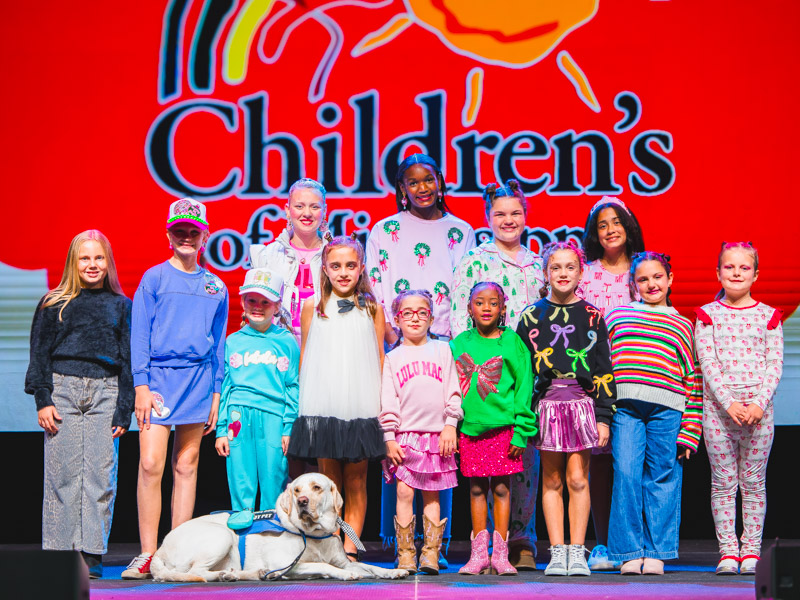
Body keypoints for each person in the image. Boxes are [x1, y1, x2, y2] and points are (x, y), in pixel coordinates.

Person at [366, 153, 475, 564]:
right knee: (401, 450)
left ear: (440, 182)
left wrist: (453, 338)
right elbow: (375, 284)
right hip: (401, 341)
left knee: (439, 457)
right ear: (401, 189)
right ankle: (398, 544)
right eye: (413, 182)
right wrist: (391, 332)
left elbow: (465, 285)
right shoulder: (384, 230)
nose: (422, 188)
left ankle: (437, 547)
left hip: (444, 342)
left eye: (428, 179)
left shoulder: (460, 230)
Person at [122, 198, 229, 579]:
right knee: (151, 463)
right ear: (168, 235)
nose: (187, 237)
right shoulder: (153, 279)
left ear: (205, 236)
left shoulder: (216, 286)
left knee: (186, 465)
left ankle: (176, 552)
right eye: (179, 231)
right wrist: (141, 385)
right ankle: (148, 552)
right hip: (160, 382)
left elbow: (218, 347)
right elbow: (140, 336)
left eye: (193, 231)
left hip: (198, 383)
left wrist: (216, 393)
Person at [25, 230, 133, 579]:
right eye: (85, 258)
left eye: (98, 258)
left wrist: (124, 408)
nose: (92, 265)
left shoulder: (121, 305)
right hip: (64, 391)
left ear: (108, 262)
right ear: (74, 262)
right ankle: (60, 556)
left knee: (100, 477)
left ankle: (91, 554)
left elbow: (129, 360)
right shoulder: (53, 304)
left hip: (106, 392)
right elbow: (39, 354)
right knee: (62, 476)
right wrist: (43, 399)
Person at [451, 179, 544, 570]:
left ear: (526, 215)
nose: (509, 220)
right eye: (500, 213)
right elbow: (458, 319)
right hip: (481, 380)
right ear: (489, 217)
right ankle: (479, 545)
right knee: (479, 473)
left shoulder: (537, 263)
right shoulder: (474, 260)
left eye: (516, 212)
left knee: (521, 460)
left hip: (526, 373)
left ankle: (519, 539)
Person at [516, 240, 615, 576]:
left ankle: (577, 551)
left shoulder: (592, 316)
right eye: (555, 267)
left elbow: (603, 369)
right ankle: (557, 552)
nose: (562, 273)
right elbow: (523, 372)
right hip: (546, 408)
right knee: (552, 480)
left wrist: (603, 417)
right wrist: (526, 416)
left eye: (569, 267)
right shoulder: (531, 316)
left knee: (578, 479)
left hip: (582, 406)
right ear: (546, 272)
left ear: (580, 272)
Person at [287, 235, 385, 560]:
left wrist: (383, 405)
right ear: (325, 269)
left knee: (356, 480)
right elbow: (306, 359)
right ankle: (329, 542)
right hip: (324, 404)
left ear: (360, 268)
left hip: (360, 402)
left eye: (350, 265)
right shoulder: (313, 307)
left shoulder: (372, 308)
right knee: (328, 481)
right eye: (336, 266)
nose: (343, 272)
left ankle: (350, 546)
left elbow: (380, 358)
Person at [605, 252, 703, 575]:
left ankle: (658, 551)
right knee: (627, 474)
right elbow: (603, 368)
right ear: (633, 285)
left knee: (662, 476)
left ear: (670, 280)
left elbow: (693, 379)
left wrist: (690, 429)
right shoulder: (617, 317)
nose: (651, 284)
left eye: (657, 277)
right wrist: (602, 412)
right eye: (643, 279)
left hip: (668, 410)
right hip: (627, 408)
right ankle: (630, 550)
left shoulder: (682, 324)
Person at [695, 242, 783, 576]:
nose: (736, 273)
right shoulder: (707, 315)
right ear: (718, 273)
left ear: (756, 274)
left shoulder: (769, 316)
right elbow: (709, 363)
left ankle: (751, 552)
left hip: (760, 414)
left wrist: (759, 403)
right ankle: (728, 552)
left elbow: (775, 364)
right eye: (729, 267)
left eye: (744, 268)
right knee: (723, 483)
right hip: (720, 413)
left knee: (754, 483)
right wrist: (729, 403)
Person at [577, 196, 645, 571]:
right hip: (596, 381)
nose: (610, 229)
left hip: (640, 378)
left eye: (617, 222)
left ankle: (636, 544)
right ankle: (603, 544)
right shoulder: (585, 274)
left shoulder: (644, 269)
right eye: (602, 224)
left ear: (629, 226)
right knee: (599, 464)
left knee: (633, 465)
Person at [450, 282, 537, 576]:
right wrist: (452, 428)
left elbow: (525, 389)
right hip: (470, 430)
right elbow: (450, 389)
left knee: (501, 487)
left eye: (492, 303)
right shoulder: (459, 343)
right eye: (479, 302)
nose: (486, 308)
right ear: (469, 308)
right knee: (476, 488)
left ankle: (501, 555)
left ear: (502, 308)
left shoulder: (512, 343)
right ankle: (478, 556)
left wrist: (521, 431)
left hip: (503, 430)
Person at [380, 289, 462, 575]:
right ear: (397, 319)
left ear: (431, 317)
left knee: (433, 495)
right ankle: (405, 553)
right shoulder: (393, 357)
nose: (415, 318)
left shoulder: (442, 350)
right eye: (407, 313)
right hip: (405, 437)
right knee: (403, 491)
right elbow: (388, 401)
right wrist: (389, 438)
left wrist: (450, 424)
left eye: (422, 312)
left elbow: (453, 392)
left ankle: (431, 553)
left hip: (437, 436)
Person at [215, 267, 300, 516]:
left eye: (265, 301)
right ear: (242, 302)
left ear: (276, 306)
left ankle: (272, 530)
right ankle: (244, 537)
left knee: (274, 474)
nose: (258, 306)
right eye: (252, 300)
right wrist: (221, 430)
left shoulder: (286, 341)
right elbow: (226, 386)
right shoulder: (233, 341)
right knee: (241, 475)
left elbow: (292, 385)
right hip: (238, 417)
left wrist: (288, 427)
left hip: (273, 416)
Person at [249, 178, 331, 344]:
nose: (307, 213)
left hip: (324, 347)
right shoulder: (267, 256)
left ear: (324, 211)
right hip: (278, 348)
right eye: (299, 206)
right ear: (287, 210)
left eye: (314, 207)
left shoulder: (335, 255)